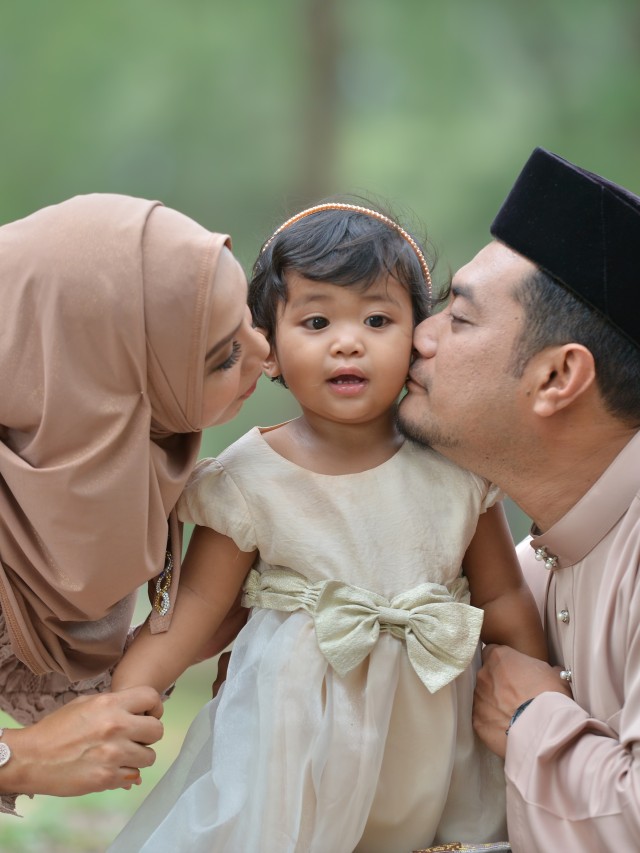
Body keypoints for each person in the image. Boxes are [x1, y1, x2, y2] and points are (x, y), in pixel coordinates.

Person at [109, 201, 546, 853]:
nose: (349, 341)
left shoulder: (456, 466)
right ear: (269, 349)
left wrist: (537, 696)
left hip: (432, 731)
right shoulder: (249, 478)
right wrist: (129, 693)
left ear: (421, 340)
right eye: (316, 321)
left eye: (377, 319)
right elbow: (196, 605)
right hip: (294, 741)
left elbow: (503, 596)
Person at [397, 147, 640, 852]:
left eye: (460, 319)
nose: (419, 335)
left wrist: (533, 716)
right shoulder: (533, 568)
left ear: (558, 376)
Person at [0, 193, 269, 814]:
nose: (266, 354)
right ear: (98, 383)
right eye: (225, 355)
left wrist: (177, 637)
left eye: (251, 323)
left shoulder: (94, 470)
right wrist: (22, 757)